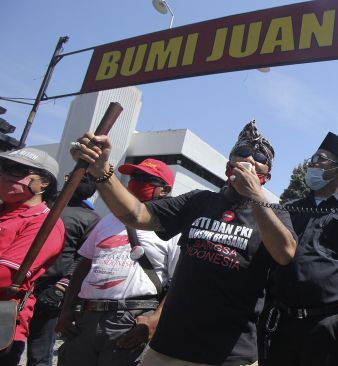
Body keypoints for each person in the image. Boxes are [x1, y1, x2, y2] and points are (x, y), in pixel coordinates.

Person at [69, 121, 297, 365]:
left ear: (267, 176)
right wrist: (101, 171)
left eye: (259, 157)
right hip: (168, 348)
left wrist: (254, 196)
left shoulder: (275, 214)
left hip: (229, 355)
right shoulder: (197, 201)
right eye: (242, 153)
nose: (249, 159)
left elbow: (285, 253)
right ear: (227, 166)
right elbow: (136, 215)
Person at [264, 132, 338, 366]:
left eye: (320, 159)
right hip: (282, 323)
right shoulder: (288, 209)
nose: (312, 164)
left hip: (329, 326)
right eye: (312, 159)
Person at [55, 158, 180, 366]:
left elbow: (180, 281)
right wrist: (66, 309)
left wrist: (155, 319)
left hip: (130, 320)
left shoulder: (172, 227)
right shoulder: (108, 220)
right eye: (133, 177)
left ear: (165, 190)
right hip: (87, 317)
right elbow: (84, 266)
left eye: (145, 179)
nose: (135, 183)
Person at [26, 173, 100, 366]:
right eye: (81, 178)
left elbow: (83, 258)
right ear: (68, 178)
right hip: (17, 283)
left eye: (90, 181)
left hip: (49, 290)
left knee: (39, 353)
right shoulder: (41, 202)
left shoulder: (90, 218)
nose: (85, 184)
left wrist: (61, 288)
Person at [0, 148, 64, 365]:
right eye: (3, 168)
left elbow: (7, 275)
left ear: (43, 183)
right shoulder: (4, 211)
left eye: (17, 170)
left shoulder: (43, 223)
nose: (6, 175)